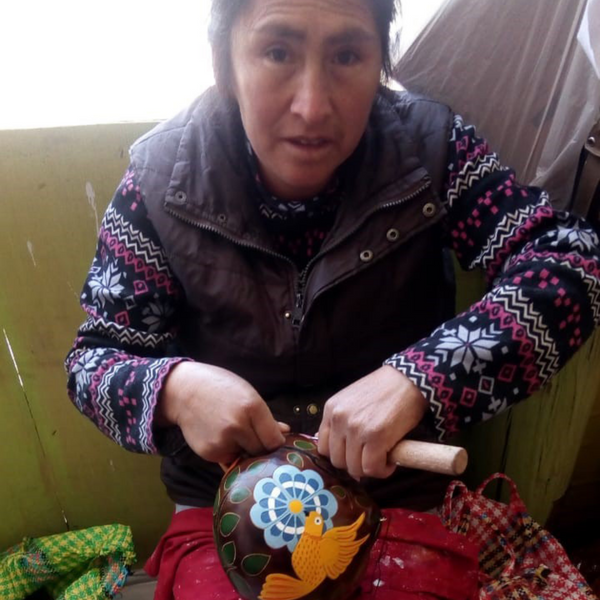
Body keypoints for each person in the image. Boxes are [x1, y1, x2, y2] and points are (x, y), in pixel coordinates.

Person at [65, 0, 600, 598]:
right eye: (277, 52)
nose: (313, 106)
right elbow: (94, 360)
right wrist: (176, 388)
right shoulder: (159, 179)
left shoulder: (433, 151)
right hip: (226, 508)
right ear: (224, 64)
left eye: (347, 55)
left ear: (380, 64)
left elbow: (572, 261)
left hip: (397, 493)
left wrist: (422, 378)